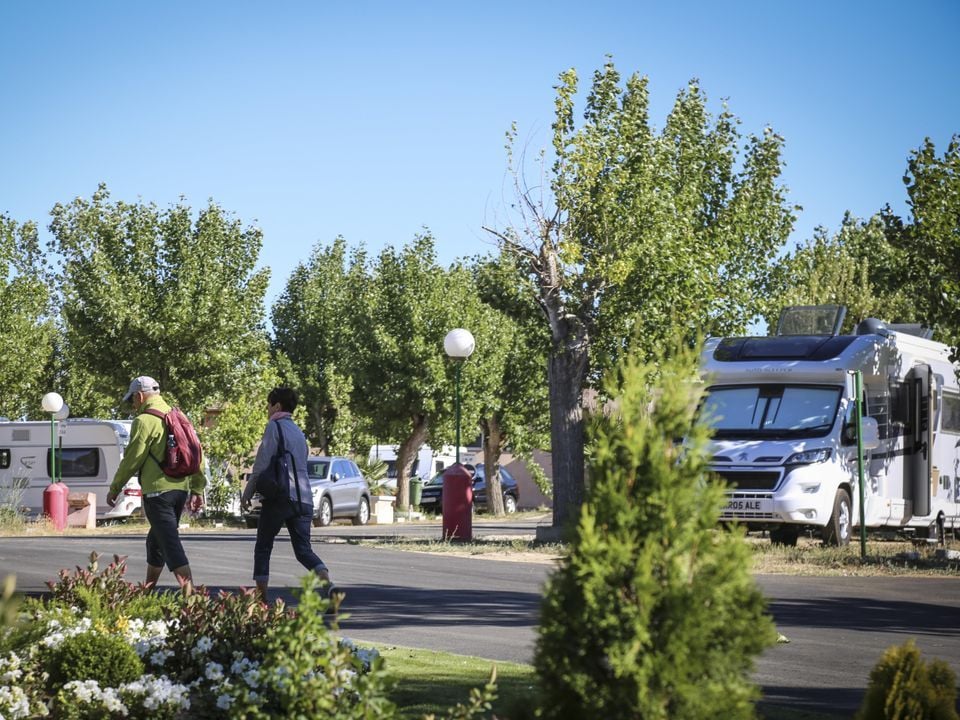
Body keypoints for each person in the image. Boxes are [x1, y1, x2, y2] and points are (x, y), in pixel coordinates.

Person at [106, 376, 206, 594]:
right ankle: (147, 591)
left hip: (157, 494)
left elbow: (133, 458)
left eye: (132, 400)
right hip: (180, 491)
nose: (133, 405)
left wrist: (115, 488)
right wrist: (197, 488)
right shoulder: (179, 416)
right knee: (156, 542)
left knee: (170, 544)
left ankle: (192, 599)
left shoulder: (144, 421)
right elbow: (198, 454)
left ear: (140, 396)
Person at [241, 387, 335, 601]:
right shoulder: (299, 432)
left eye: (268, 404)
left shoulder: (274, 426)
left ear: (277, 406)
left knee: (263, 546)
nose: (267, 409)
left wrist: (248, 491)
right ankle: (328, 586)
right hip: (304, 499)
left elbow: (262, 463)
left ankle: (261, 599)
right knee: (303, 550)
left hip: (280, 497)